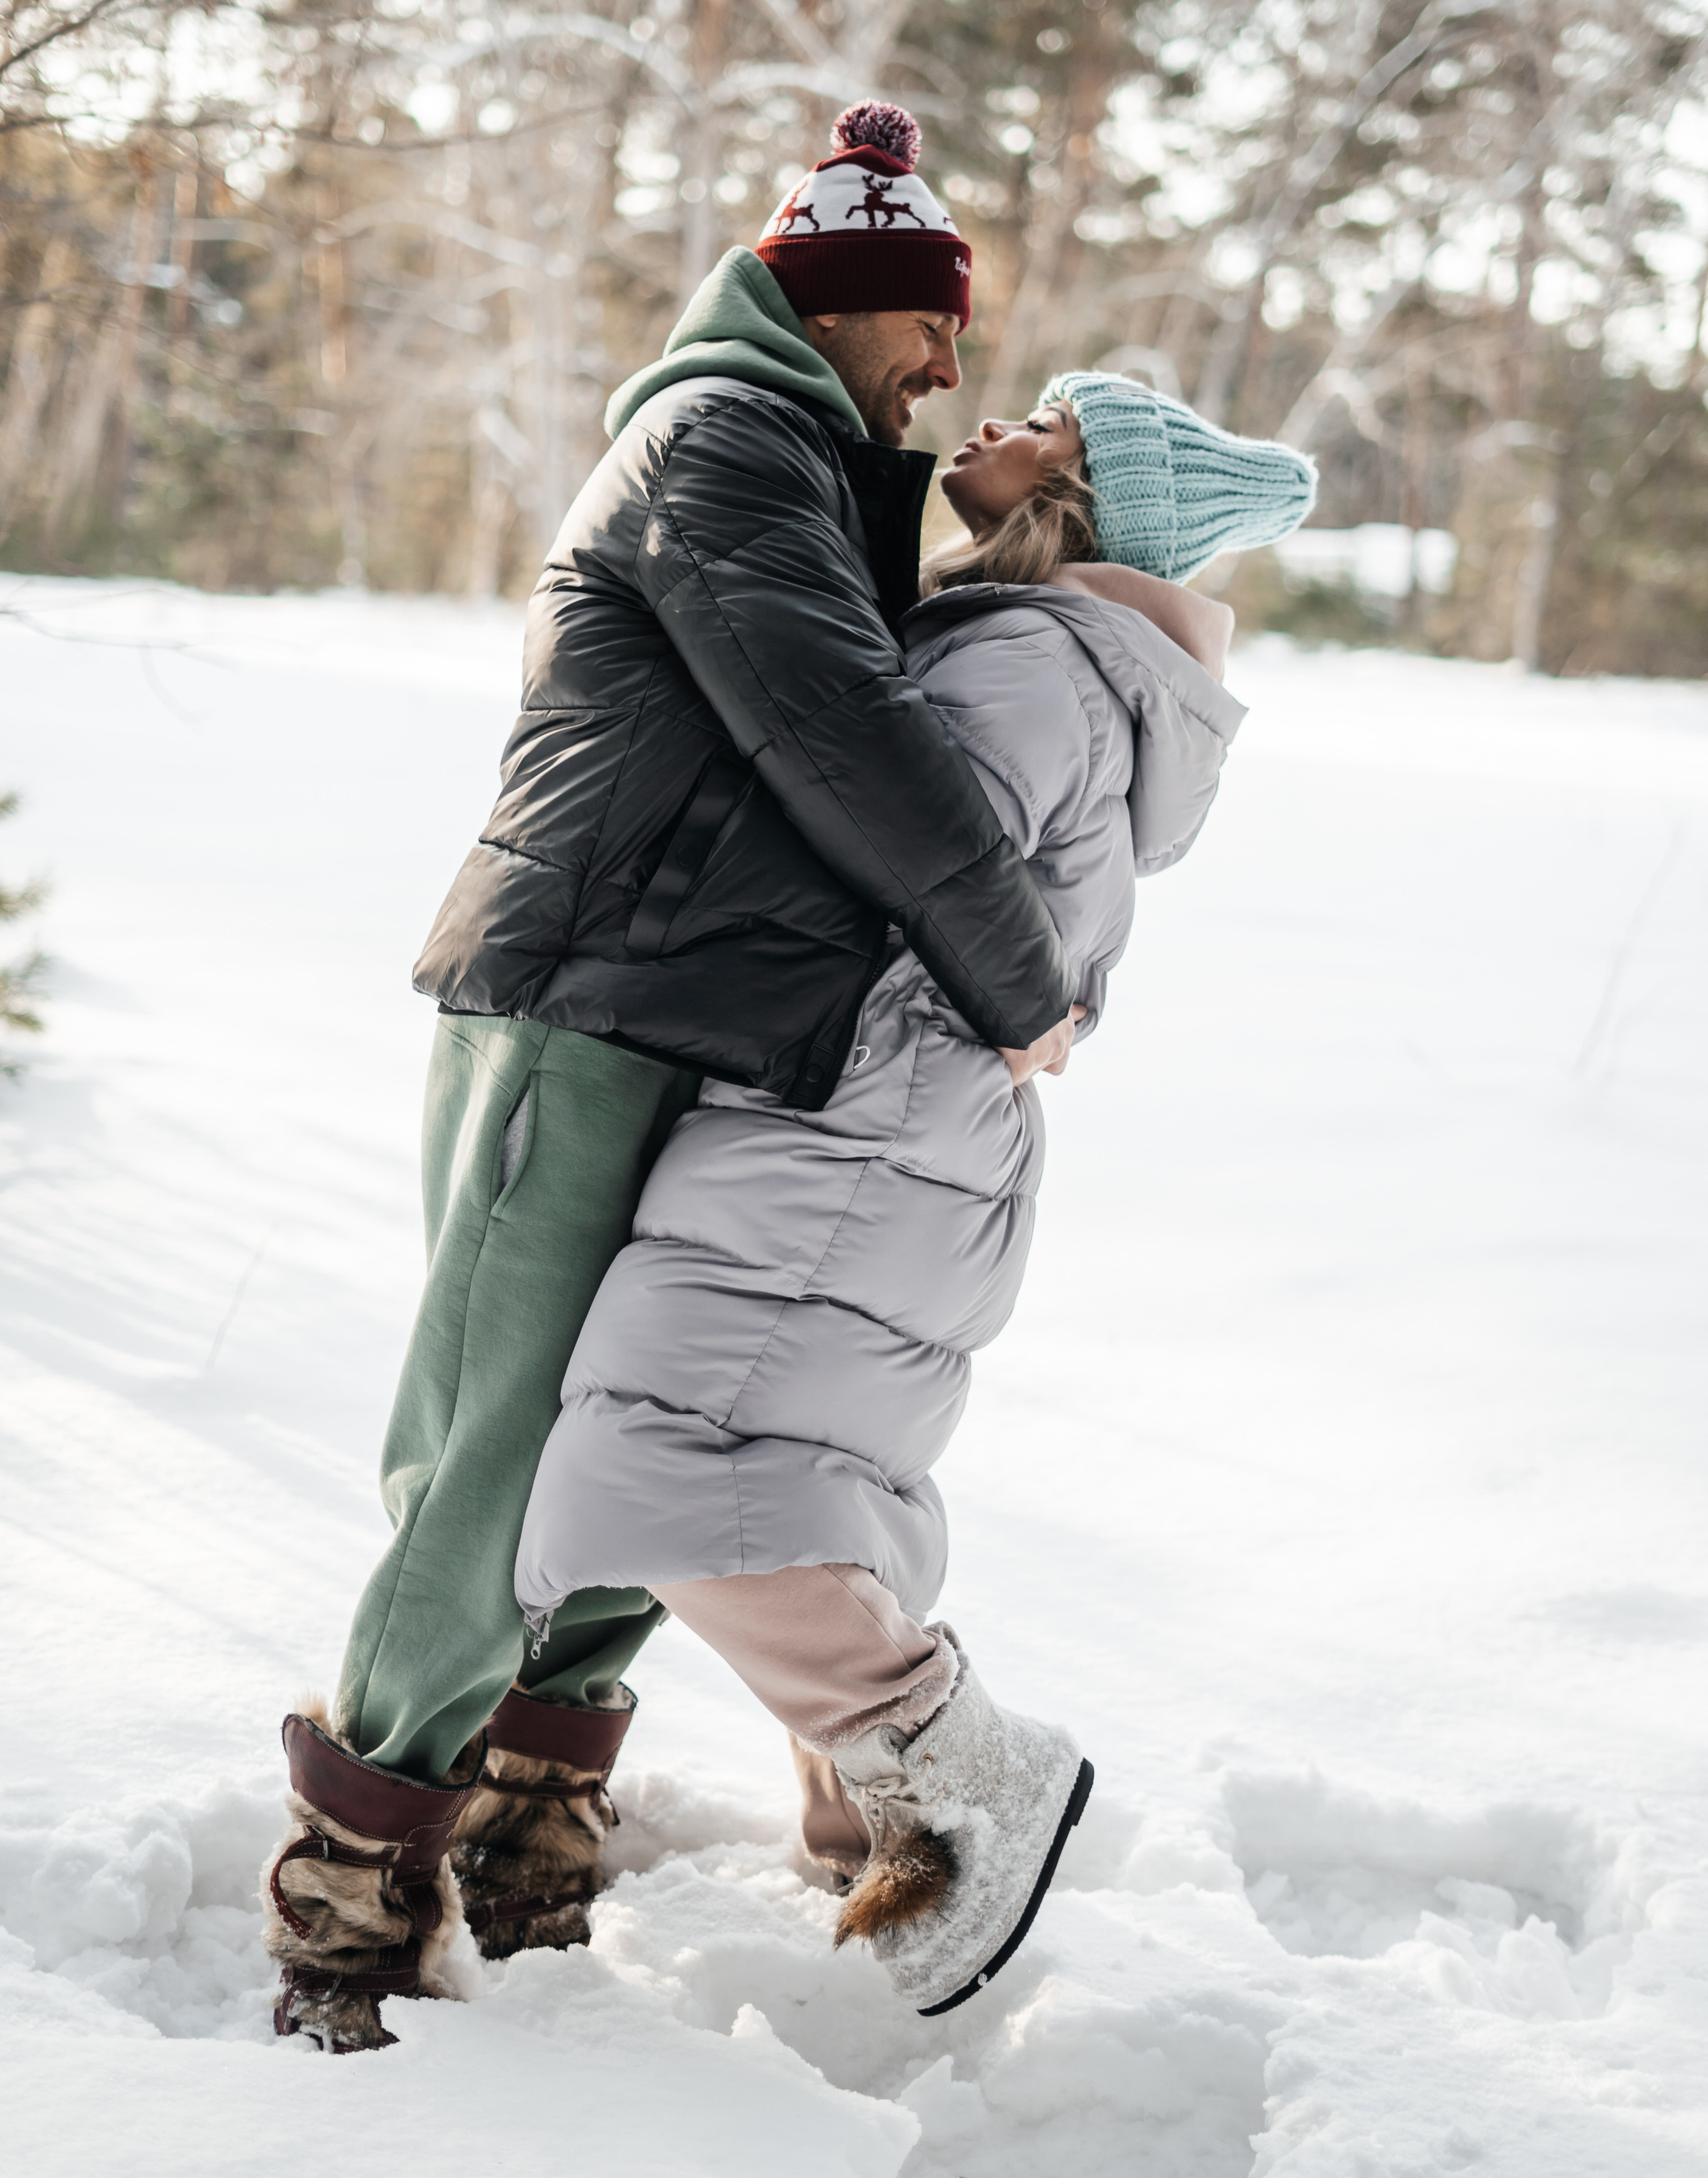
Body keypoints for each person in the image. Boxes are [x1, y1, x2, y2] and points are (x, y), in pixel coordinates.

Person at [260, 104, 1091, 2053]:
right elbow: (838, 721)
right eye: (930, 325)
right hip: (582, 1008)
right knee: (492, 1455)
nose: (946, 368)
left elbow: (847, 659)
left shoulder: (795, 462)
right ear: (844, 304)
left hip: (697, 1022)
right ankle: (352, 1896)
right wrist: (1019, 985)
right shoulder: (719, 440)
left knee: (626, 1419)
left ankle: (532, 1813)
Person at [513, 374, 1315, 2014]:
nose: (994, 427)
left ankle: (951, 1762)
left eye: (1048, 427)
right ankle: (873, 1833)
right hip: (905, 1128)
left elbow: (903, 864)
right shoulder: (1070, 659)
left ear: (1085, 502)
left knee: (660, 1451)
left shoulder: (1027, 660)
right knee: (803, 1471)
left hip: (858, 1120)